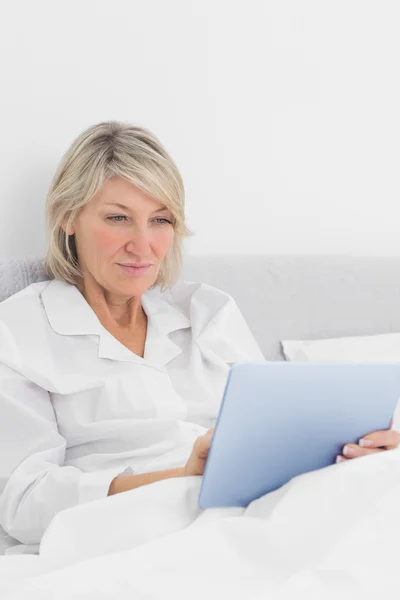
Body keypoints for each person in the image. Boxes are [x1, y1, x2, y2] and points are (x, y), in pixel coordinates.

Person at [0, 122, 398, 553]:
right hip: (140, 531)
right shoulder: (18, 331)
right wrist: (185, 476)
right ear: (67, 216)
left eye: (160, 220)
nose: (144, 245)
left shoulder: (207, 310)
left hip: (263, 510)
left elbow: (275, 431)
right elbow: (23, 503)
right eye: (118, 218)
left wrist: (361, 449)